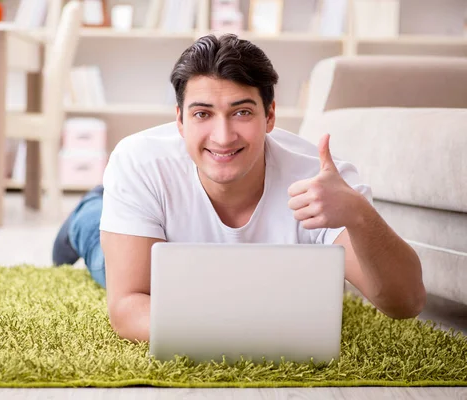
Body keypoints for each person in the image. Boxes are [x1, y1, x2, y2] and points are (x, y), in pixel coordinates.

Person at [52, 34, 426, 343]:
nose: (223, 136)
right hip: (149, 226)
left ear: (270, 116)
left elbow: (406, 302)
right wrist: (239, 333)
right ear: (179, 121)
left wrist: (358, 213)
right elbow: (127, 306)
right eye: (202, 114)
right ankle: (87, 213)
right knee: (101, 254)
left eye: (242, 112)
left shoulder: (320, 181)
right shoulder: (139, 162)